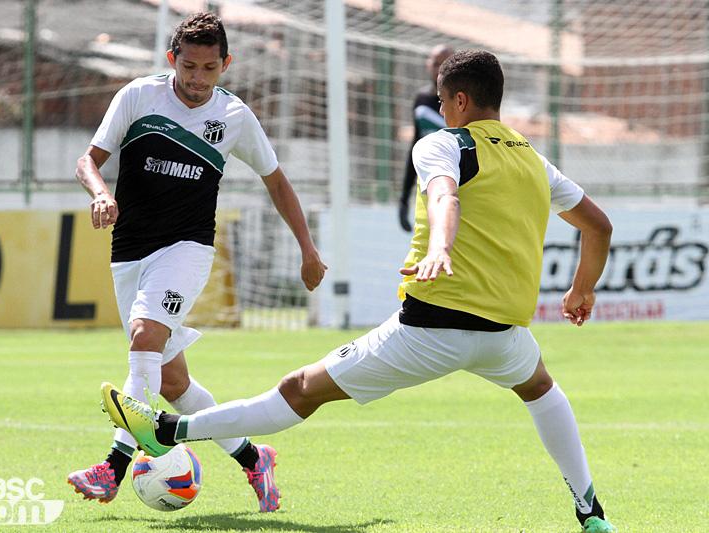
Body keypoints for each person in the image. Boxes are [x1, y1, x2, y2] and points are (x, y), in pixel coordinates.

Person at [100, 50, 617, 532]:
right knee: (542, 391)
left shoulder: (443, 143)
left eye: (441, 101)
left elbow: (444, 194)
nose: (439, 110)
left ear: (460, 100)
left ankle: (169, 432)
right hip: (505, 335)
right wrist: (580, 291)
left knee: (300, 390)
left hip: (429, 330)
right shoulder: (534, 159)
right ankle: (589, 508)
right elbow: (599, 227)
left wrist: (440, 247)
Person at [66, 12, 327, 513]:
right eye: (189, 67)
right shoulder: (138, 96)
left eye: (210, 68)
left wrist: (308, 250)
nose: (198, 79)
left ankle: (113, 467)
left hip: (187, 249)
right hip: (130, 253)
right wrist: (100, 193)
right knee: (173, 383)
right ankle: (255, 458)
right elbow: (88, 160)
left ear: (225, 65)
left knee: (145, 336)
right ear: (172, 60)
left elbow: (277, 182)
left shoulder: (234, 117)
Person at [399, 44, 454, 232]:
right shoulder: (421, 99)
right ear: (428, 65)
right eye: (436, 63)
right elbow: (415, 145)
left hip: (456, 185)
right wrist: (404, 198)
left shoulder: (463, 102)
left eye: (444, 63)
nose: (439, 68)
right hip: (427, 186)